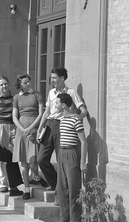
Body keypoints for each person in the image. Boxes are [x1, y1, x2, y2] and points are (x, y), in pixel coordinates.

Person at [37, 67, 88, 205]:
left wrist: (75, 120)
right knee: (41, 159)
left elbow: (83, 110)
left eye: (54, 78)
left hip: (63, 127)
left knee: (61, 163)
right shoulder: (51, 93)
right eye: (51, 77)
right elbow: (47, 111)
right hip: (49, 126)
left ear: (62, 78)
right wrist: (40, 127)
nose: (51, 80)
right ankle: (57, 188)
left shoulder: (71, 93)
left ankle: (60, 196)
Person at [55, 93, 87, 222]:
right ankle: (64, 219)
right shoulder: (61, 119)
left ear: (63, 105)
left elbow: (84, 141)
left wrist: (82, 163)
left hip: (72, 154)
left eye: (57, 103)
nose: (55, 105)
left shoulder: (75, 119)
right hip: (62, 154)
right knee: (62, 190)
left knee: (73, 190)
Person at [12, 74, 44, 199]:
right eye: (25, 83)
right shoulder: (16, 98)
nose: (28, 84)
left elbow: (41, 113)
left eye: (28, 82)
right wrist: (22, 129)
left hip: (34, 129)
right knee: (24, 163)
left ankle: (36, 177)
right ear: (20, 85)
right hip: (21, 131)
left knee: (33, 161)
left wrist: (30, 129)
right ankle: (26, 190)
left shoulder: (37, 95)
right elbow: (15, 116)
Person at [0, 75, 15, 193]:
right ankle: (3, 183)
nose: (4, 86)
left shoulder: (14, 98)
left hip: (14, 127)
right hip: (1, 127)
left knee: (15, 154)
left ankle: (15, 181)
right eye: (1, 84)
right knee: (1, 156)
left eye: (5, 83)